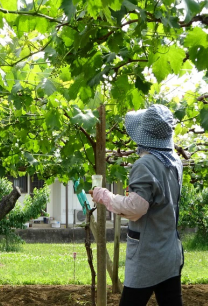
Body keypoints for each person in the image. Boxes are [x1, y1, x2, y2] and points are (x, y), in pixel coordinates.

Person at [89, 104, 184, 306]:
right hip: (170, 253)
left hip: (147, 256)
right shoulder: (175, 161)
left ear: (144, 135)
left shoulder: (145, 164)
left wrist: (104, 195)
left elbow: (136, 209)